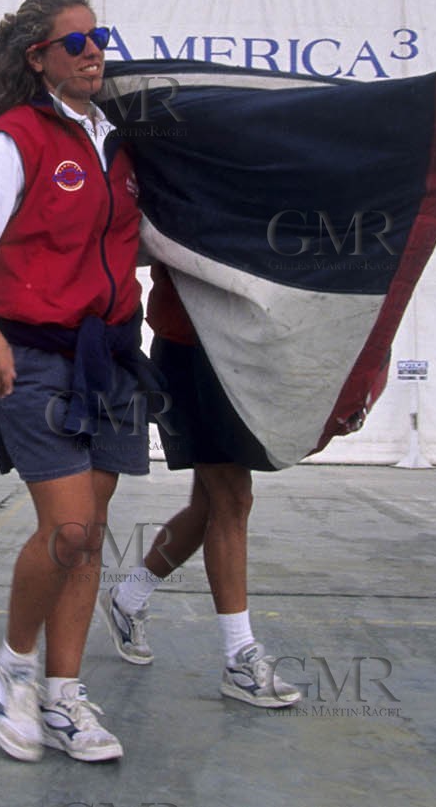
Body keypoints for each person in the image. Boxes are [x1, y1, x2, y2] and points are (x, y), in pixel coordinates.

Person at [0, 0, 144, 762]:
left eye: (100, 38)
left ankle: (63, 694)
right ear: (38, 58)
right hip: (31, 353)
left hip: (110, 357)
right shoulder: (13, 139)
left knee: (89, 539)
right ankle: (13, 666)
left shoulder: (116, 144)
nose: (93, 51)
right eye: (76, 41)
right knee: (67, 527)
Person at [96, 264, 302, 708]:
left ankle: (127, 599)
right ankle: (238, 658)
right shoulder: (194, 195)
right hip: (193, 348)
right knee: (232, 497)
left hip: (236, 350)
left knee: (210, 504)